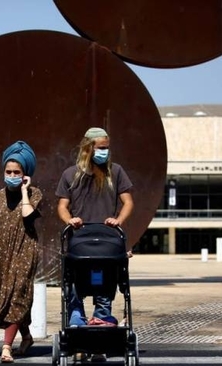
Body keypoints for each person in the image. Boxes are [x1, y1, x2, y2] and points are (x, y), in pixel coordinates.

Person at [55, 127, 134, 363]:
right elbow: (62, 206)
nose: (105, 151)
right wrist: (70, 219)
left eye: (107, 147)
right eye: (101, 147)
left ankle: (100, 337)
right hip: (79, 242)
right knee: (75, 290)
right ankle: (77, 330)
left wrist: (118, 220)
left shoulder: (116, 172)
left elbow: (128, 201)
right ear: (89, 148)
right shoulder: (70, 174)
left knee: (104, 289)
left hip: (107, 243)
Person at [0, 141, 42, 363]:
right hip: (0, 253)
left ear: (25, 174)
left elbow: (28, 216)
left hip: (25, 251)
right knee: (4, 296)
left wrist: (24, 190)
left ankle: (6, 346)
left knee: (18, 295)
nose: (12, 175)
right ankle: (26, 336)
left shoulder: (35, 194)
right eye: (9, 172)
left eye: (17, 172)